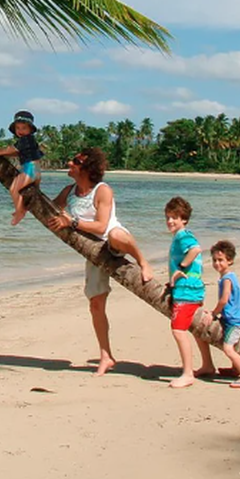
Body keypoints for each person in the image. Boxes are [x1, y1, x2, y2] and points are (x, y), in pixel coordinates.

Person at [46, 148, 154, 376]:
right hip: (93, 252)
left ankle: (143, 261)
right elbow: (49, 210)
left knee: (115, 235)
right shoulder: (69, 191)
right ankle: (106, 355)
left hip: (111, 240)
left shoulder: (102, 190)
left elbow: (102, 226)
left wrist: (72, 222)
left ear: (87, 168)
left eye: (75, 161)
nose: (69, 162)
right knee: (95, 305)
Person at [165, 196, 215, 388]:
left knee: (178, 330)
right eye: (168, 217)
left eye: (175, 217)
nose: (170, 221)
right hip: (194, 290)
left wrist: (182, 267)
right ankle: (208, 365)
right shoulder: (182, 235)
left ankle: (187, 373)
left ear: (184, 219)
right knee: (195, 330)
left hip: (187, 292)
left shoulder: (182, 236)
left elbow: (195, 249)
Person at [201, 240, 240, 389]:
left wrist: (213, 313)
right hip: (232, 317)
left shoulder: (227, 279)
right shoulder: (228, 277)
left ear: (229, 260)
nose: (217, 263)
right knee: (231, 346)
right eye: (214, 260)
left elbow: (224, 300)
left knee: (228, 348)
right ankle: (235, 369)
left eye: (220, 260)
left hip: (235, 320)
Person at [0, 110, 44, 225]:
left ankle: (19, 211)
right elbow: (17, 153)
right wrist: (2, 154)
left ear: (30, 129)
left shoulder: (25, 139)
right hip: (36, 171)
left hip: (29, 169)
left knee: (14, 189)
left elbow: (12, 150)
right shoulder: (30, 142)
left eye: (24, 128)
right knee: (32, 194)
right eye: (18, 128)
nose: (20, 131)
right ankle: (22, 208)